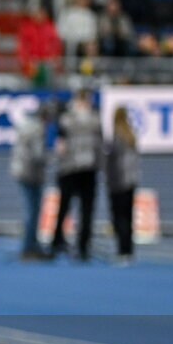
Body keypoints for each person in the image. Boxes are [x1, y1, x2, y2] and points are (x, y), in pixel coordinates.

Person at [51, 89, 102, 261]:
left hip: (75, 169)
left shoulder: (68, 118)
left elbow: (60, 143)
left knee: (73, 209)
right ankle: (77, 246)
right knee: (72, 208)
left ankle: (67, 243)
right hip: (79, 169)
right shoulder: (94, 118)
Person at [10, 102, 52, 260]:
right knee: (32, 211)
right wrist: (51, 157)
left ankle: (31, 245)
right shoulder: (37, 129)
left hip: (22, 171)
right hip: (30, 173)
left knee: (31, 210)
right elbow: (38, 154)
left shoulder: (27, 125)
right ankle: (29, 247)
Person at [105, 106, 139, 265]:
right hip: (131, 181)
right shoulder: (131, 136)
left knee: (119, 217)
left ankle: (122, 250)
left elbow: (113, 163)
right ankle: (129, 250)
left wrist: (110, 180)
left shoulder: (117, 138)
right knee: (128, 216)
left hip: (118, 182)